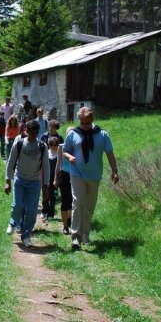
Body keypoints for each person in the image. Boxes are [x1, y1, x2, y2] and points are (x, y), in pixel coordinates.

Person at [62, 107, 119, 250]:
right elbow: (64, 151)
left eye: (87, 123)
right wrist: (70, 157)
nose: (84, 126)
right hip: (77, 173)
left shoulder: (102, 134)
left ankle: (85, 234)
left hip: (94, 175)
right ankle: (76, 237)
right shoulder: (74, 134)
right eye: (82, 123)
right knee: (78, 202)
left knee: (89, 206)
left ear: (92, 120)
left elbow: (110, 153)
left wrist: (114, 171)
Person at [4, 119, 51, 248]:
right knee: (18, 204)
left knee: (31, 210)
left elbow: (46, 167)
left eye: (35, 133)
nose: (32, 135)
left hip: (34, 182)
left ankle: (26, 235)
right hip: (19, 179)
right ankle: (13, 224)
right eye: (30, 132)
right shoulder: (19, 143)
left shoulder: (42, 146)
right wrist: (8, 181)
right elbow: (10, 162)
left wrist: (45, 186)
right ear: (26, 131)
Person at [55, 127, 75, 235]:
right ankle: (65, 226)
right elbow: (58, 164)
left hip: (75, 176)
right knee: (65, 201)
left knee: (73, 201)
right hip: (64, 175)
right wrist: (55, 179)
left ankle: (70, 220)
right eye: (69, 134)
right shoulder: (61, 147)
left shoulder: (77, 147)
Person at [43, 136, 60, 221]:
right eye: (51, 145)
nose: (53, 147)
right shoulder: (46, 153)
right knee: (45, 194)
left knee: (53, 196)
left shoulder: (59, 154)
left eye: (55, 145)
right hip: (46, 177)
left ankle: (51, 213)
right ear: (49, 145)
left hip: (55, 177)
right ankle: (45, 210)